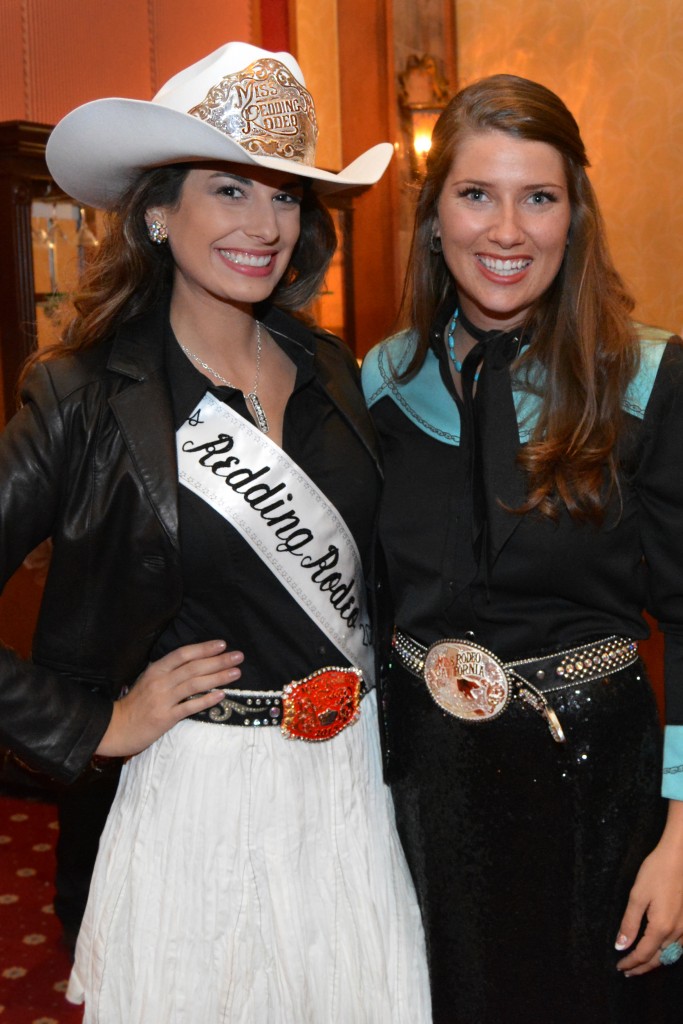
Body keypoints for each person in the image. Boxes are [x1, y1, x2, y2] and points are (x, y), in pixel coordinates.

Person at [0, 42, 431, 1023]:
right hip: (190, 798)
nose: (262, 224)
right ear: (157, 211)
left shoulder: (334, 374)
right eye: (228, 188)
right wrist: (96, 724)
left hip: (349, 791)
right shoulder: (78, 396)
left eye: (283, 197)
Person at [362, 73, 683, 1023]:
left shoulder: (650, 378)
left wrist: (682, 836)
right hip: (434, 796)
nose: (506, 231)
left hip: (603, 794)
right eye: (475, 195)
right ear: (431, 219)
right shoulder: (379, 383)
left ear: (573, 217)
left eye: (537, 197)